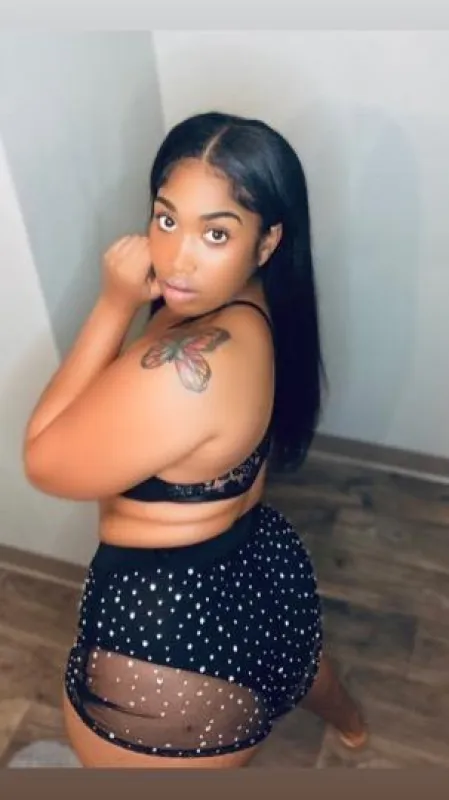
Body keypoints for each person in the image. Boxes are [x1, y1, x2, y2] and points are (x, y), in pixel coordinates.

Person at [23, 111, 367, 769]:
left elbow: (43, 460)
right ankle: (353, 727)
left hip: (167, 638)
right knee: (297, 662)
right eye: (166, 218)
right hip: (248, 564)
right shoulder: (255, 304)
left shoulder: (190, 371)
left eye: (215, 233)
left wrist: (113, 304)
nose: (176, 258)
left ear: (265, 242)